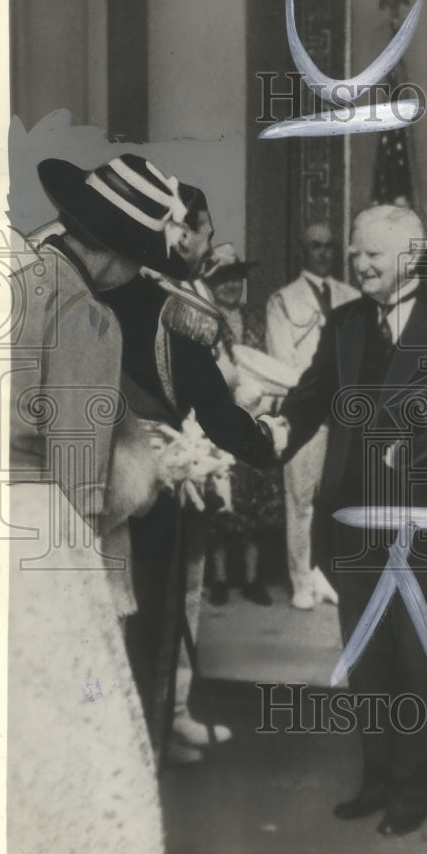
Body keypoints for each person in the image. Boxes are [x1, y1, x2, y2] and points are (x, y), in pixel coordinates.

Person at [260, 204, 427, 836]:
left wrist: (419, 449)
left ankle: (413, 786)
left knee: (421, 661)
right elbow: (310, 399)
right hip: (354, 524)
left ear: (414, 254)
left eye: (373, 252)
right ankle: (376, 777)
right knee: (368, 659)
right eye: (356, 252)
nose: (359, 263)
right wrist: (267, 435)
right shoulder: (344, 322)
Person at [6, 155, 182, 854]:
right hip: (35, 529)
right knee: (63, 725)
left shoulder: (10, 278)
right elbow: (79, 479)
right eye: (137, 261)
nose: (135, 276)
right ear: (111, 253)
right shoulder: (83, 314)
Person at [82, 160, 275, 766]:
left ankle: (171, 713)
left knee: (181, 597)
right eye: (200, 231)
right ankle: (149, 729)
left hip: (186, 462)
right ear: (176, 230)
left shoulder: (185, 297)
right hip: (139, 470)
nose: (205, 244)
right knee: (142, 607)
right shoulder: (136, 294)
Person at [266, 222, 359, 609]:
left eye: (328, 246)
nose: (322, 253)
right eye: (315, 246)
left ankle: (327, 576)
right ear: (302, 253)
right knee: (301, 501)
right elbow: (282, 362)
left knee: (338, 499)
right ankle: (301, 580)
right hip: (307, 417)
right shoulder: (283, 301)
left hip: (347, 417)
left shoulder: (352, 297)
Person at [197, 246, 286, 607]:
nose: (231, 286)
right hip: (220, 418)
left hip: (257, 416)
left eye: (235, 278)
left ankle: (252, 578)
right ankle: (219, 578)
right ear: (211, 284)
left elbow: (272, 366)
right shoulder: (204, 322)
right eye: (223, 279)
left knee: (256, 495)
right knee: (221, 496)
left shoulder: (257, 319)